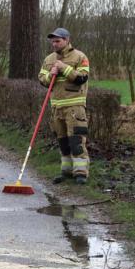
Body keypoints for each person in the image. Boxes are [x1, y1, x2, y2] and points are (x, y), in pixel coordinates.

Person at [39, 27, 91, 185]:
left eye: (58, 41)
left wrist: (64, 68)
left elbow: (82, 78)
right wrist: (50, 74)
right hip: (56, 108)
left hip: (75, 107)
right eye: (52, 41)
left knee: (76, 141)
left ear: (67, 40)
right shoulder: (48, 59)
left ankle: (81, 172)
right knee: (62, 142)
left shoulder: (79, 57)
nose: (54, 44)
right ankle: (66, 171)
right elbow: (42, 79)